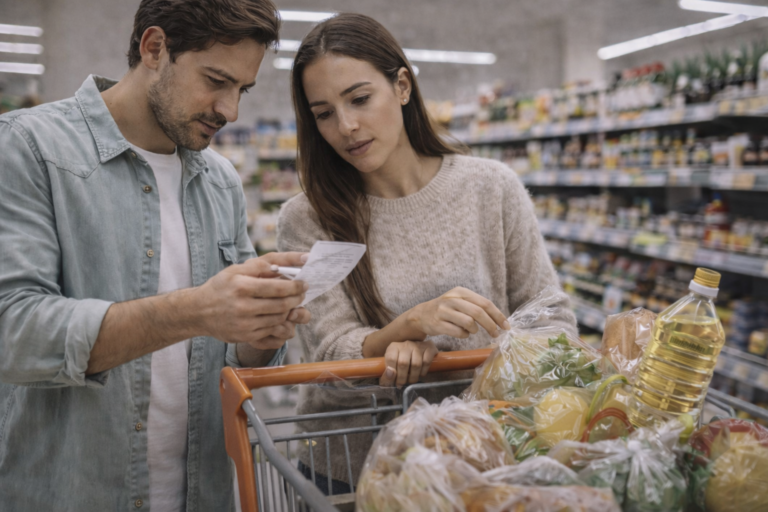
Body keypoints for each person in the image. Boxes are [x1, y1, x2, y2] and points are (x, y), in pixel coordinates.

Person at [0, 0, 310, 510]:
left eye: (242, 90)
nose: (230, 111)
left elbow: (234, 359)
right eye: (216, 80)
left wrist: (261, 330)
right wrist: (196, 310)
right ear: (154, 48)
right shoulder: (30, 149)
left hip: (200, 493)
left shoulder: (222, 182)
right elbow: (14, 330)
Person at [276, 13, 578, 495]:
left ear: (401, 86)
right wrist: (405, 328)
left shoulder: (489, 187)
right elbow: (329, 356)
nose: (347, 126)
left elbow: (553, 317)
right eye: (324, 113)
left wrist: (488, 359)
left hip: (484, 456)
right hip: (354, 470)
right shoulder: (307, 217)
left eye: (359, 99)